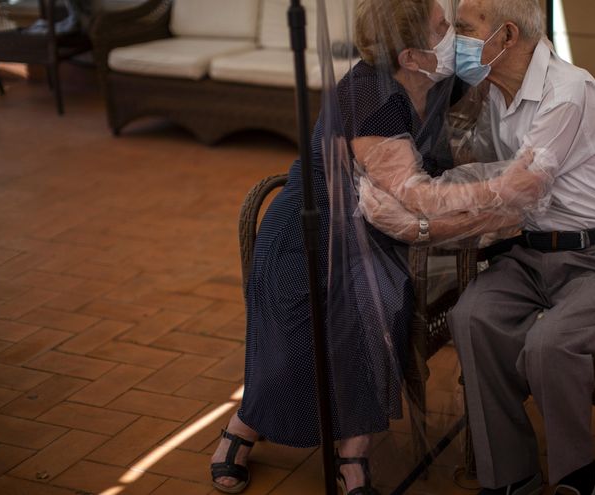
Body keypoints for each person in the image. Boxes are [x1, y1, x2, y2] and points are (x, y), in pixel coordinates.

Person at [208, 1, 549, 494]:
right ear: (411, 55)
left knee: (377, 312)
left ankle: (354, 456)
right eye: (442, 27)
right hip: (311, 238)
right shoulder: (370, 97)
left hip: (374, 238)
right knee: (298, 339)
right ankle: (243, 426)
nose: (453, 33)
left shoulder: (435, 79)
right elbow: (418, 197)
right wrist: (506, 194)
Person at [446, 1, 595, 494]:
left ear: (506, 35)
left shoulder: (568, 90)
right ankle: (511, 477)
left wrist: (429, 215)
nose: (455, 41)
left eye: (463, 29)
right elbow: (477, 167)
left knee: (550, 344)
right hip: (530, 255)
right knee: (470, 319)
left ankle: (577, 479)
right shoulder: (494, 92)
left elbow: (519, 188)